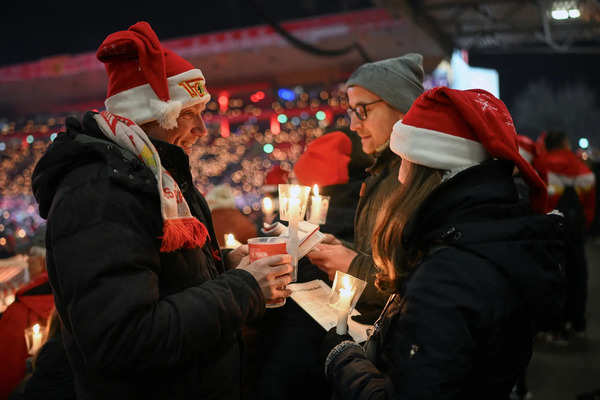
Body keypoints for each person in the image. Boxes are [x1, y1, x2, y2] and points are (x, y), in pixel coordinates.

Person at [30, 21, 292, 399]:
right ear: (153, 114)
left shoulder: (155, 176)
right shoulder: (102, 192)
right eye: (191, 113)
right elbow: (124, 339)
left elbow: (167, 280)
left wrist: (224, 264)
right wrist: (245, 288)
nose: (203, 129)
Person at [320, 87, 565, 399]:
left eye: (405, 161)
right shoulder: (490, 236)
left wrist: (342, 359)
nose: (399, 177)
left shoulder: (446, 276)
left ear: (429, 169)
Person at [307, 54, 424, 321]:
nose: (354, 124)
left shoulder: (418, 177)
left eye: (363, 110)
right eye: (351, 111)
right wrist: (341, 249)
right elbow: (379, 258)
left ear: (401, 107)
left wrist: (350, 264)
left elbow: (420, 282)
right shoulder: (383, 171)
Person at [533, 130, 595, 339]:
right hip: (575, 229)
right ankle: (575, 321)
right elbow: (590, 204)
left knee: (550, 274)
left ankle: (550, 324)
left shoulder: (541, 165)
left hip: (548, 228)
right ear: (565, 144)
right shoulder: (582, 168)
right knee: (577, 273)